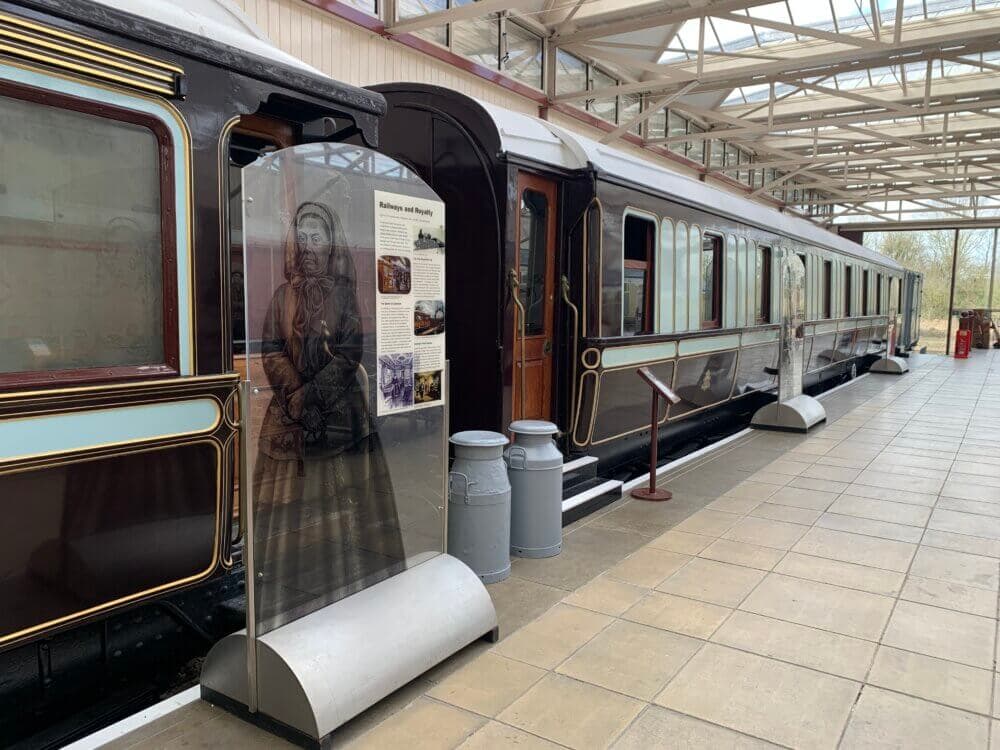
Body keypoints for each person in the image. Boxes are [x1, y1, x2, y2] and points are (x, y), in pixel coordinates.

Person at [253, 201, 405, 629]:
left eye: (316, 238)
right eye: (301, 238)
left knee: (344, 503)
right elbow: (271, 351)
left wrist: (315, 397)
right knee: (293, 510)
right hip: (291, 419)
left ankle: (348, 590)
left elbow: (349, 352)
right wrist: (298, 399)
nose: (308, 246)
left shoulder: (344, 297)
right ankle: (291, 599)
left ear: (330, 244)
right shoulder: (281, 298)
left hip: (341, 420)